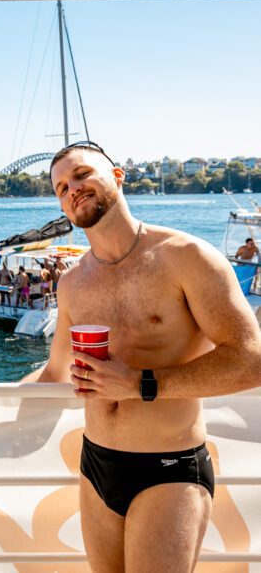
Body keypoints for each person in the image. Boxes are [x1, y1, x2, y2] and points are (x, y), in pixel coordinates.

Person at [22, 141, 261, 573]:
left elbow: (251, 360)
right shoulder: (73, 283)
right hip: (96, 463)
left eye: (81, 175)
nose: (72, 189)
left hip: (169, 467)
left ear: (117, 177)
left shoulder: (187, 257)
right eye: (60, 188)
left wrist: (139, 383)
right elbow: (56, 371)